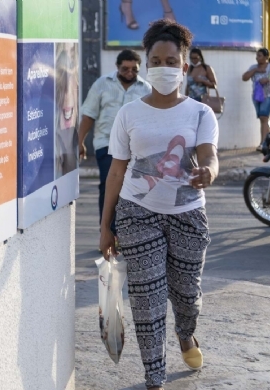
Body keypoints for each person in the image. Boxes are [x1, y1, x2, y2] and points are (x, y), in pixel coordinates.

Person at [99, 19, 219, 390]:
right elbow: (116, 173)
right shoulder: (129, 114)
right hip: (137, 214)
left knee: (186, 296)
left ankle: (186, 333)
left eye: (172, 61)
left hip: (187, 215)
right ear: (147, 64)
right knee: (146, 299)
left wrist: (209, 173)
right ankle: (154, 376)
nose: (164, 67)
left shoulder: (201, 113)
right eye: (157, 60)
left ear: (184, 66)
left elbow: (209, 156)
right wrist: (106, 226)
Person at [78, 49, 151, 246]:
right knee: (109, 186)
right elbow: (89, 115)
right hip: (106, 145)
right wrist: (80, 141)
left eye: (134, 69)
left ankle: (128, 234)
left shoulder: (146, 89)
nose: (130, 72)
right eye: (125, 68)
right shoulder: (102, 85)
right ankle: (108, 232)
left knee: (134, 190)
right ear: (117, 67)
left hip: (136, 149)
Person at [242, 48, 270, 151]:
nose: (257, 58)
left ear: (266, 57)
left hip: (268, 96)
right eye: (257, 56)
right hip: (256, 97)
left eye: (259, 56)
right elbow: (244, 77)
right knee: (263, 119)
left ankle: (263, 144)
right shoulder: (253, 67)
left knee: (264, 118)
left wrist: (268, 79)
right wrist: (255, 70)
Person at [55, 42, 79, 178]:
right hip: (65, 109)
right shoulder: (67, 61)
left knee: (66, 149)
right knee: (66, 149)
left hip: (66, 110)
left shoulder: (67, 63)